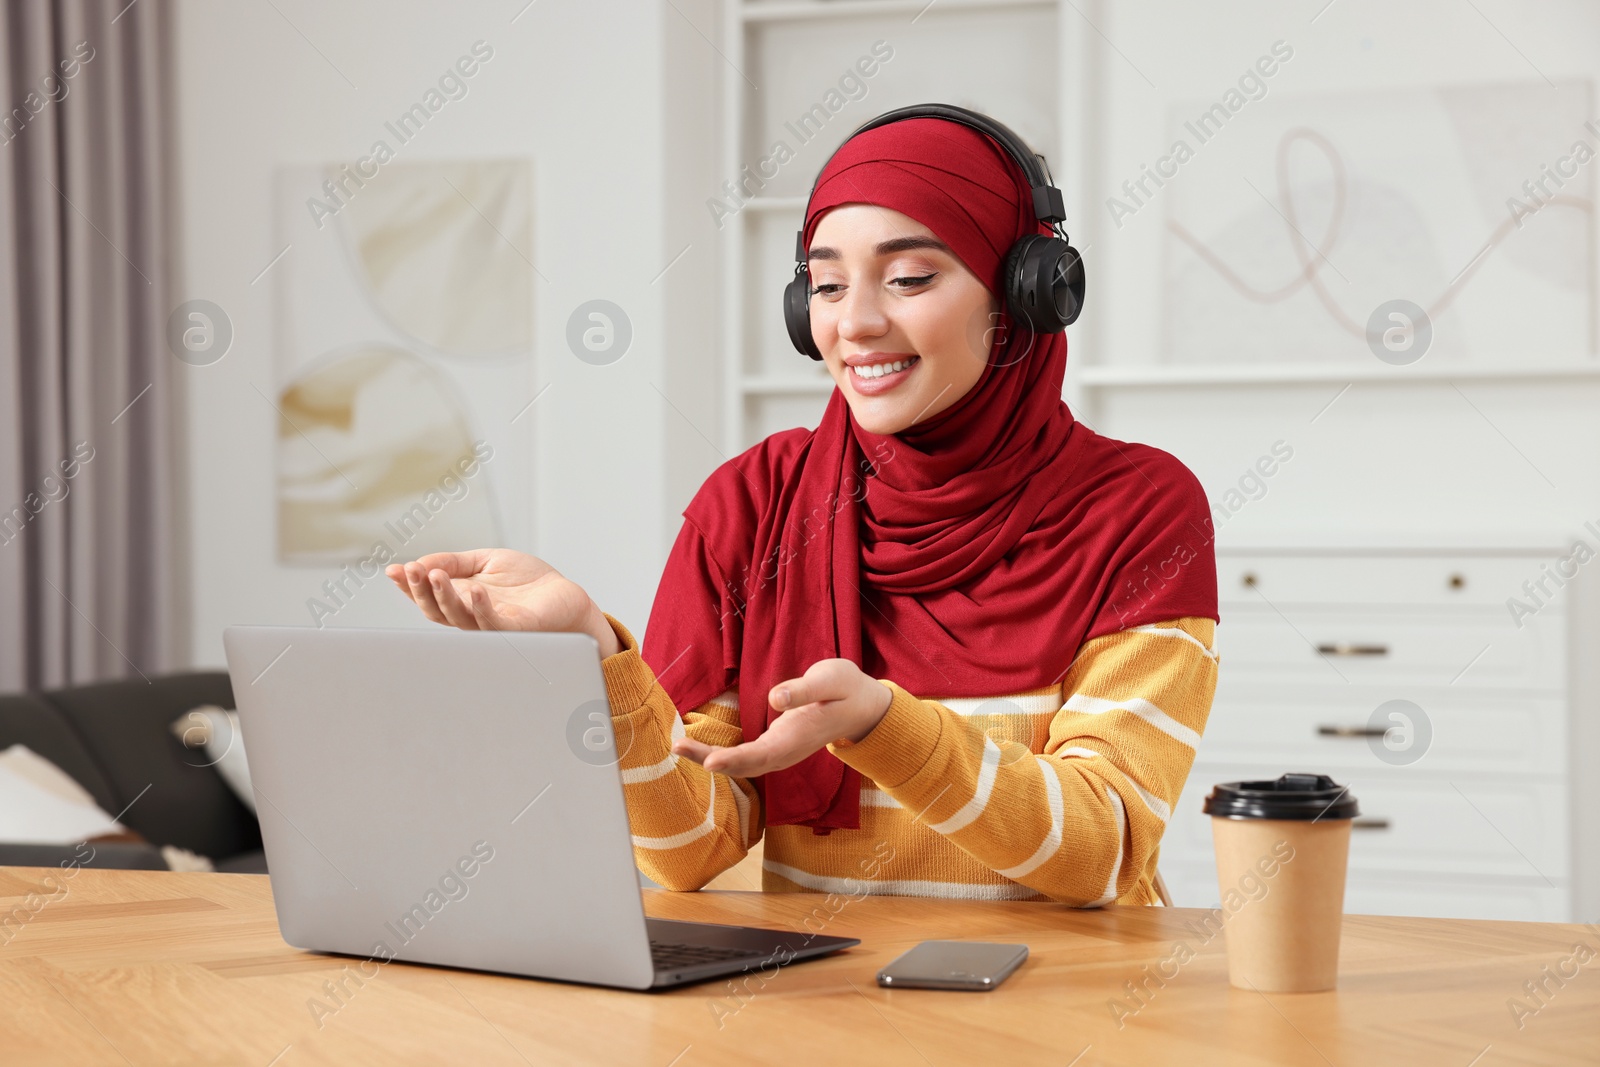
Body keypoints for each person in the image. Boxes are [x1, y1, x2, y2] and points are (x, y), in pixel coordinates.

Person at [386, 111, 1219, 906]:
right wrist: (595, 654)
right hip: (835, 1009)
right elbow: (690, 850)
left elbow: (1104, 847)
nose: (853, 323)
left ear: (1027, 294)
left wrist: (887, 726)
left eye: (910, 277)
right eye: (824, 285)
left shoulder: (1140, 509)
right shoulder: (752, 503)